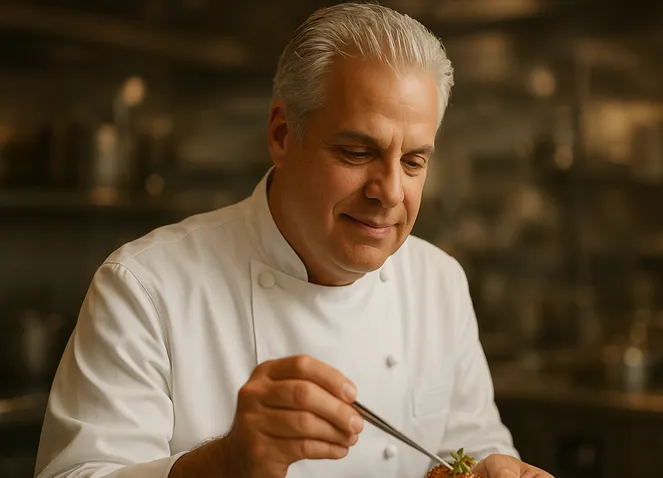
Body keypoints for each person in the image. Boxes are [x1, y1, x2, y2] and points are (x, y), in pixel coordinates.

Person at [34, 3, 554, 478]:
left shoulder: (438, 282)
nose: (390, 192)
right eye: (356, 152)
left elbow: (472, 445)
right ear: (283, 134)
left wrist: (493, 469)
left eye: (414, 161)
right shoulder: (146, 287)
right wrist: (224, 463)